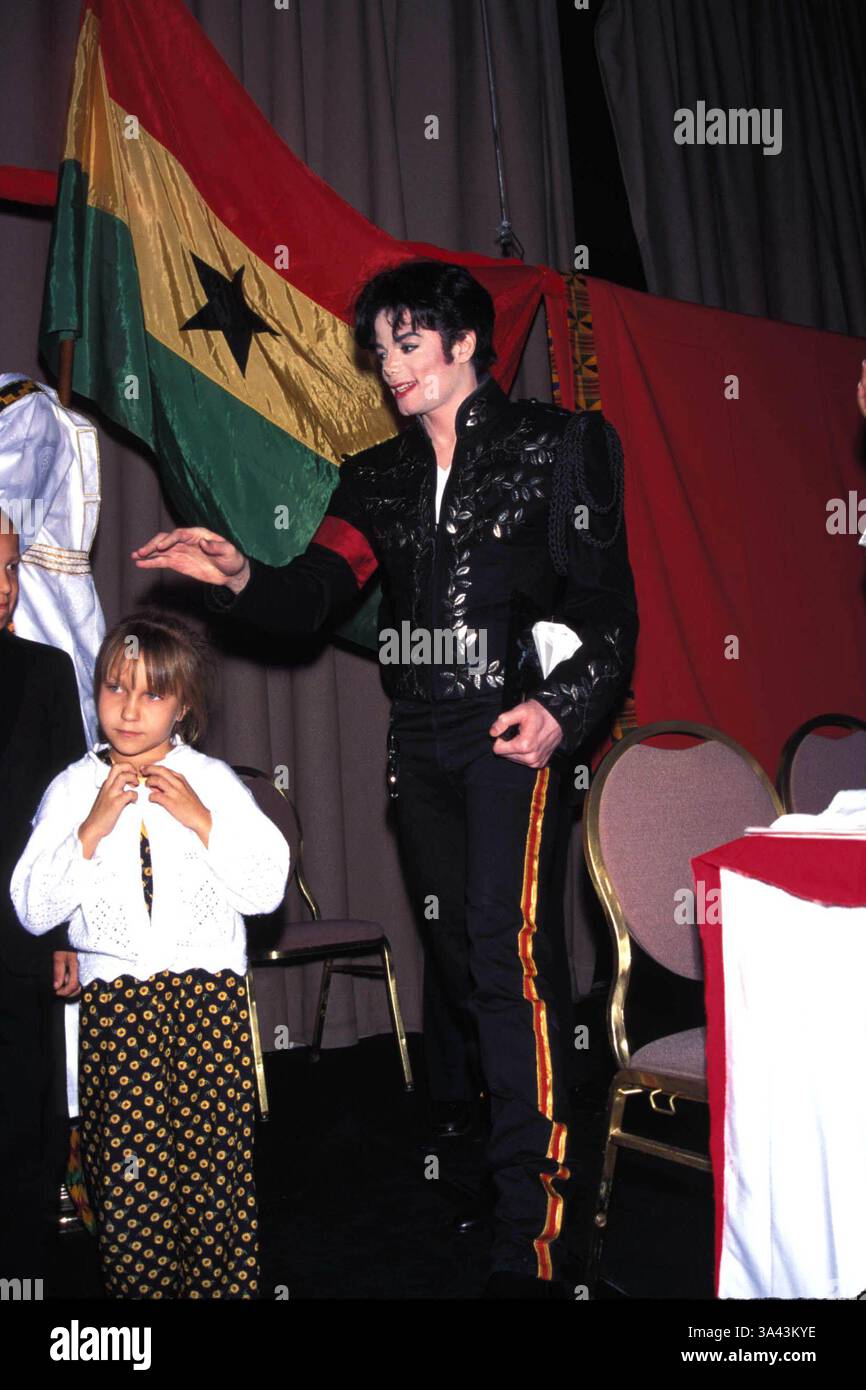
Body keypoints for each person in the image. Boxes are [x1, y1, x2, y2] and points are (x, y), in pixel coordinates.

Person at [132, 258, 639, 1297]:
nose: (389, 367)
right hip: (421, 746)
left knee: (509, 969)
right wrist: (236, 576)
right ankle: (499, 1184)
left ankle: (536, 1238)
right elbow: (312, 594)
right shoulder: (377, 477)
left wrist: (558, 710)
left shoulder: (559, 445)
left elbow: (607, 610)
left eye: (407, 344)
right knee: (461, 971)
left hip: (512, 732)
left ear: (461, 343)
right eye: (379, 350)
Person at [11, 609, 291, 1298]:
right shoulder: (74, 788)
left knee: (216, 1182)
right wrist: (91, 829)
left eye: (151, 693)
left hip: (208, 1009)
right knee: (134, 1195)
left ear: (184, 706)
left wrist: (202, 819)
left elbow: (266, 885)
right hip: (121, 1013)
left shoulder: (212, 781)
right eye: (115, 688)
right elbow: (31, 904)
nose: (130, 709)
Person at [0, 507, 85, 1288]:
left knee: (28, 1118)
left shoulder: (47, 670)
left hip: (22, 937)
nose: (2, 588)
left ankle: (24, 1273)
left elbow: (64, 821)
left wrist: (65, 933)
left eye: (9, 568)